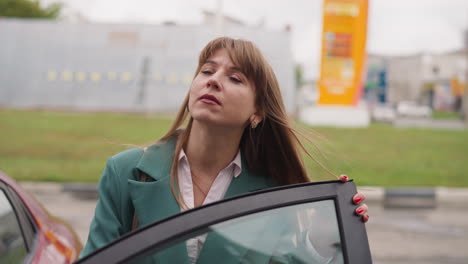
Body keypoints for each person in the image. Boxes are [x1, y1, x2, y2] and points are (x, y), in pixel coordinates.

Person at [79, 37, 369, 262]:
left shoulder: (273, 194)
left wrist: (325, 234)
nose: (213, 80)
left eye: (235, 78)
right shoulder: (125, 172)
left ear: (256, 113)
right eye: (207, 70)